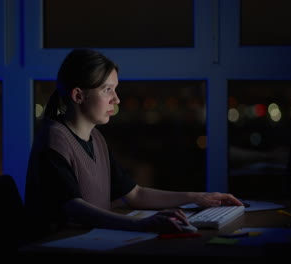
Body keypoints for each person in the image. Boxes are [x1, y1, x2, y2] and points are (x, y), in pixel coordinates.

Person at [25, 48, 243, 237]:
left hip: (89, 242)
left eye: (115, 89)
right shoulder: (55, 140)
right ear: (78, 95)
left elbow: (134, 194)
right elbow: (73, 207)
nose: (116, 99)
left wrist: (198, 198)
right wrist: (141, 225)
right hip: (55, 249)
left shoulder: (96, 139)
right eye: (107, 90)